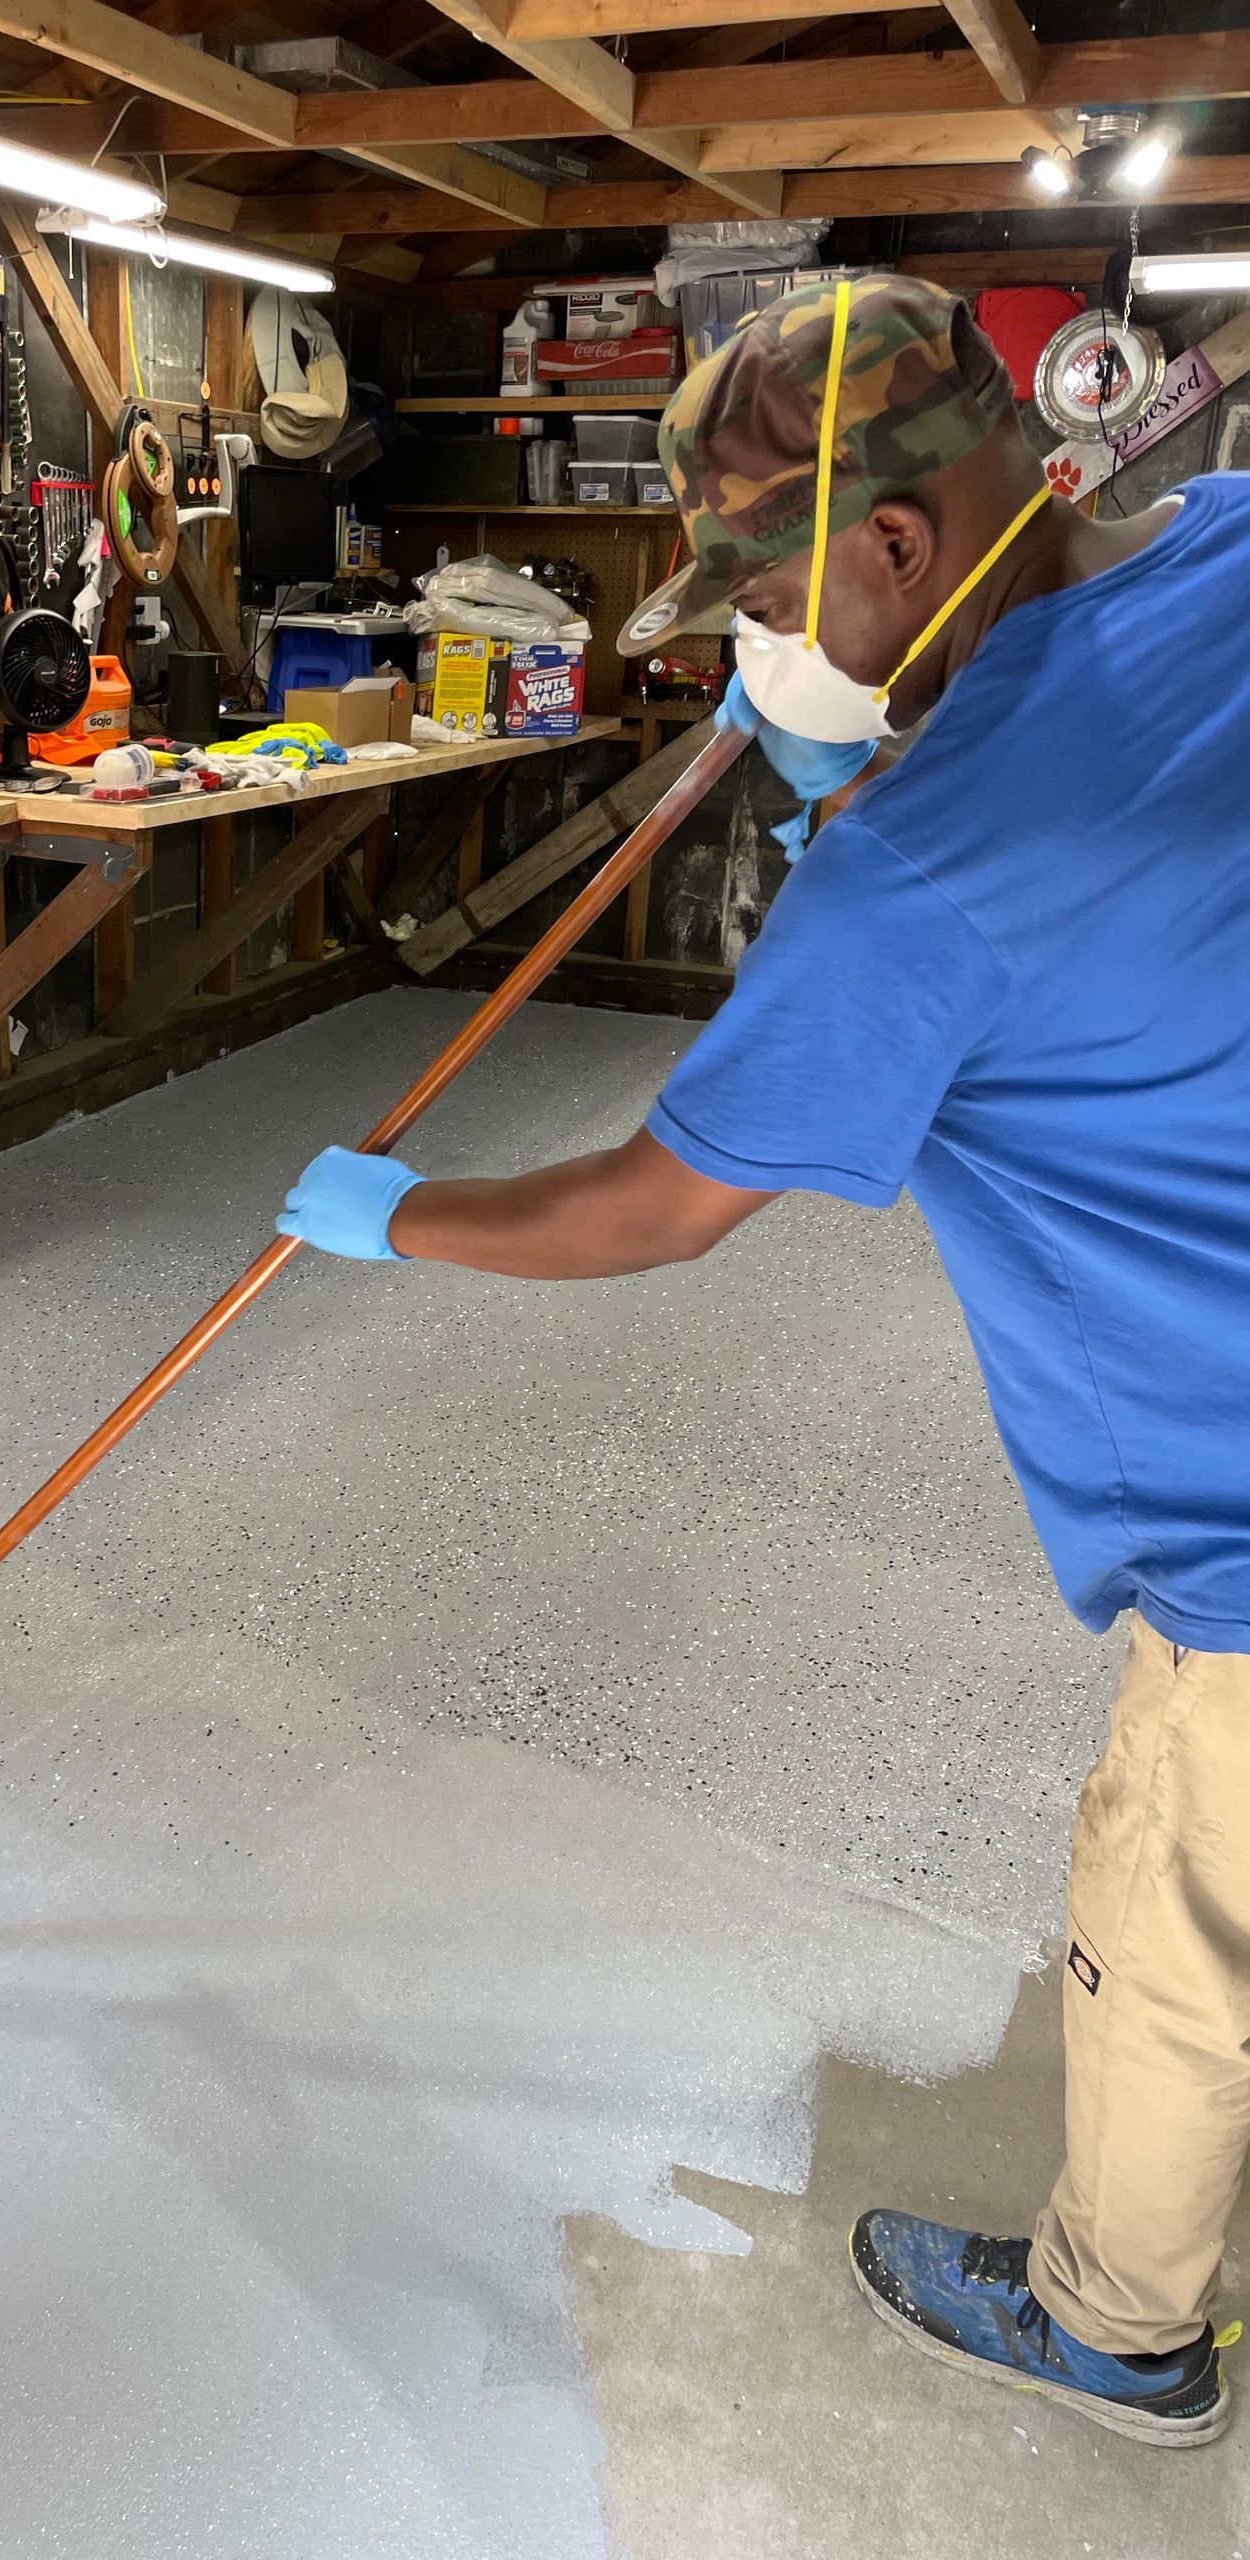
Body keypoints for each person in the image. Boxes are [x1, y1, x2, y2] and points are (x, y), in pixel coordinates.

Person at [277, 273, 1250, 2449]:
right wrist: (874, 782)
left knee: (1178, 1919)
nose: (760, 639)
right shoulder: (1234, 542)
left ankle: (1119, 2334)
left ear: (898, 542)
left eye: (768, 589)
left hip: (1240, 1510)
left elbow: (656, 1204)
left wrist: (395, 1213)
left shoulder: (921, 875)